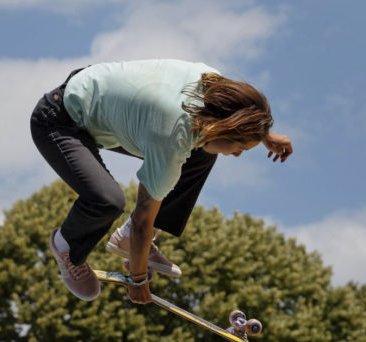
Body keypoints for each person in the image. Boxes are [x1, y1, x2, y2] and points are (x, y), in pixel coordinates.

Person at [30, 59, 293, 304]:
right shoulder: (171, 135)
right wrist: (138, 277)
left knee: (202, 152)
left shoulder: (214, 86)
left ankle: (126, 238)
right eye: (239, 147)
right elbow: (145, 218)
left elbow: (239, 111)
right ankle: (67, 247)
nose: (236, 155)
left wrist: (264, 135)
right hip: (58, 119)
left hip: (103, 102)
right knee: (107, 201)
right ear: (223, 128)